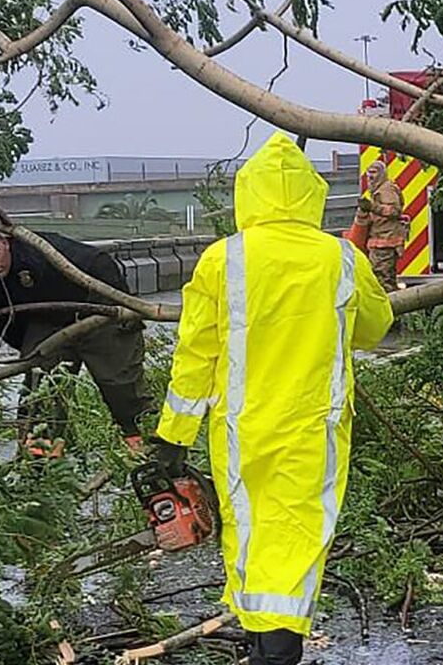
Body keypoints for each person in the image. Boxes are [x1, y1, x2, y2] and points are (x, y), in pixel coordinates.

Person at [150, 132, 393, 664]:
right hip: (314, 429)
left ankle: (267, 645)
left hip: (241, 430)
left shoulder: (222, 259)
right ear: (310, 195)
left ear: (248, 194)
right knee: (298, 533)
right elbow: (375, 327)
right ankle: (277, 651)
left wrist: (172, 436)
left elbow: (196, 355)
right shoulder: (341, 259)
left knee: (249, 530)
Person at [0, 227, 152, 455]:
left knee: (119, 381)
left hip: (95, 310)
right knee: (41, 386)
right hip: (48, 322)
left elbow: (99, 262)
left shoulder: (40, 250)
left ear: (6, 243)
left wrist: (118, 307)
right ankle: (41, 454)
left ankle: (141, 440)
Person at [356, 159, 407, 289]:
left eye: (373, 173)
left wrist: (373, 207)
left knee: (383, 281)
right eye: (368, 174)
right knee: (382, 279)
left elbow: (394, 210)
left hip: (386, 242)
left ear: (381, 174)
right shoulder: (379, 190)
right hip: (380, 241)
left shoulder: (386, 190)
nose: (370, 177)